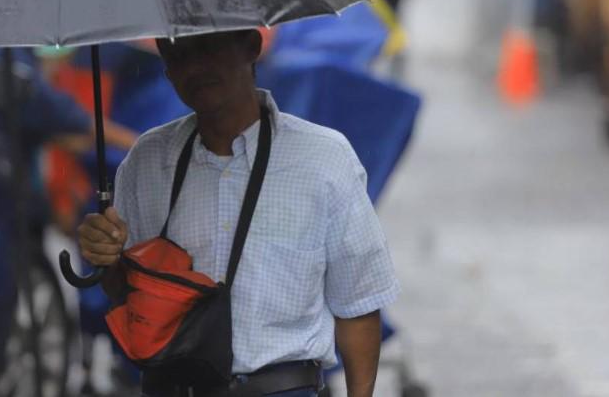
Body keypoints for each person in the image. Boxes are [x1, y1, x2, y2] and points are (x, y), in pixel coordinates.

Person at [77, 30, 399, 397]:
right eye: (179, 53)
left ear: (252, 46)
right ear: (165, 65)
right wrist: (107, 257)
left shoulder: (323, 159)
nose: (196, 65)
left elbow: (357, 303)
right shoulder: (148, 160)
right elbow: (125, 295)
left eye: (210, 46)